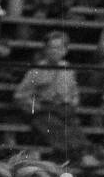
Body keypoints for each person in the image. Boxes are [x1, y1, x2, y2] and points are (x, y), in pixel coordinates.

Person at [14, 31, 99, 169]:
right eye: (51, 47)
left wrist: (73, 100)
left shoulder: (68, 69)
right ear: (46, 49)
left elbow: (74, 92)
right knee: (53, 125)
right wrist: (34, 105)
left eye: (59, 48)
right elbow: (20, 95)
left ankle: (84, 155)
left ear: (65, 50)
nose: (55, 51)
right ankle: (78, 156)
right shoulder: (36, 70)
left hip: (64, 109)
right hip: (42, 110)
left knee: (74, 128)